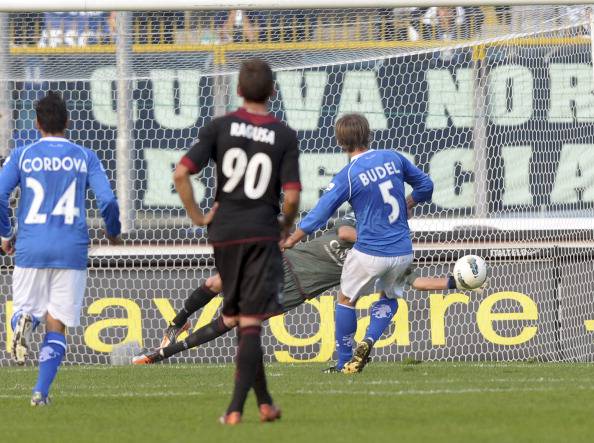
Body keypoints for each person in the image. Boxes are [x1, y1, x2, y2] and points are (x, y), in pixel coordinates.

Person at [132, 215, 486, 369]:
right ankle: (177, 322)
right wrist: (372, 242)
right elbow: (344, 233)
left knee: (230, 319)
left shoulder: (391, 260)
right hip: (280, 262)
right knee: (216, 282)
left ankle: (162, 355)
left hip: (294, 291)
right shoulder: (356, 228)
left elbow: (416, 282)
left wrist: (454, 283)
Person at [172, 58, 301, 425]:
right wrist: (285, 224)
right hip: (260, 231)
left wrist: (198, 217)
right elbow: (292, 196)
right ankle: (233, 410)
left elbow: (181, 173)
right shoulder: (284, 134)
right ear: (273, 91)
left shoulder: (219, 126)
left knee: (241, 318)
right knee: (250, 322)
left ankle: (266, 404)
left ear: (239, 90)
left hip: (224, 233)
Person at [284, 113, 433, 374]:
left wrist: (290, 240)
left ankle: (344, 362)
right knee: (389, 297)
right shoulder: (393, 157)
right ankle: (369, 339)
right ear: (369, 134)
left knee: (346, 300)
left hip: (370, 251)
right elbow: (426, 186)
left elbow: (319, 215)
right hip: (402, 250)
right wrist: (409, 202)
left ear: (341, 143)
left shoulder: (349, 175)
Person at [0, 91, 121, 406]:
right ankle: (40, 393)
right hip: (71, 249)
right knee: (57, 323)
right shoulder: (84, 156)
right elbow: (108, 201)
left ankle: (25, 323)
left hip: (30, 247)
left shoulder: (22, 155)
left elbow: (0, 194)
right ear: (68, 122)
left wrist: (5, 234)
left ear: (37, 123)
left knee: (26, 311)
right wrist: (113, 230)